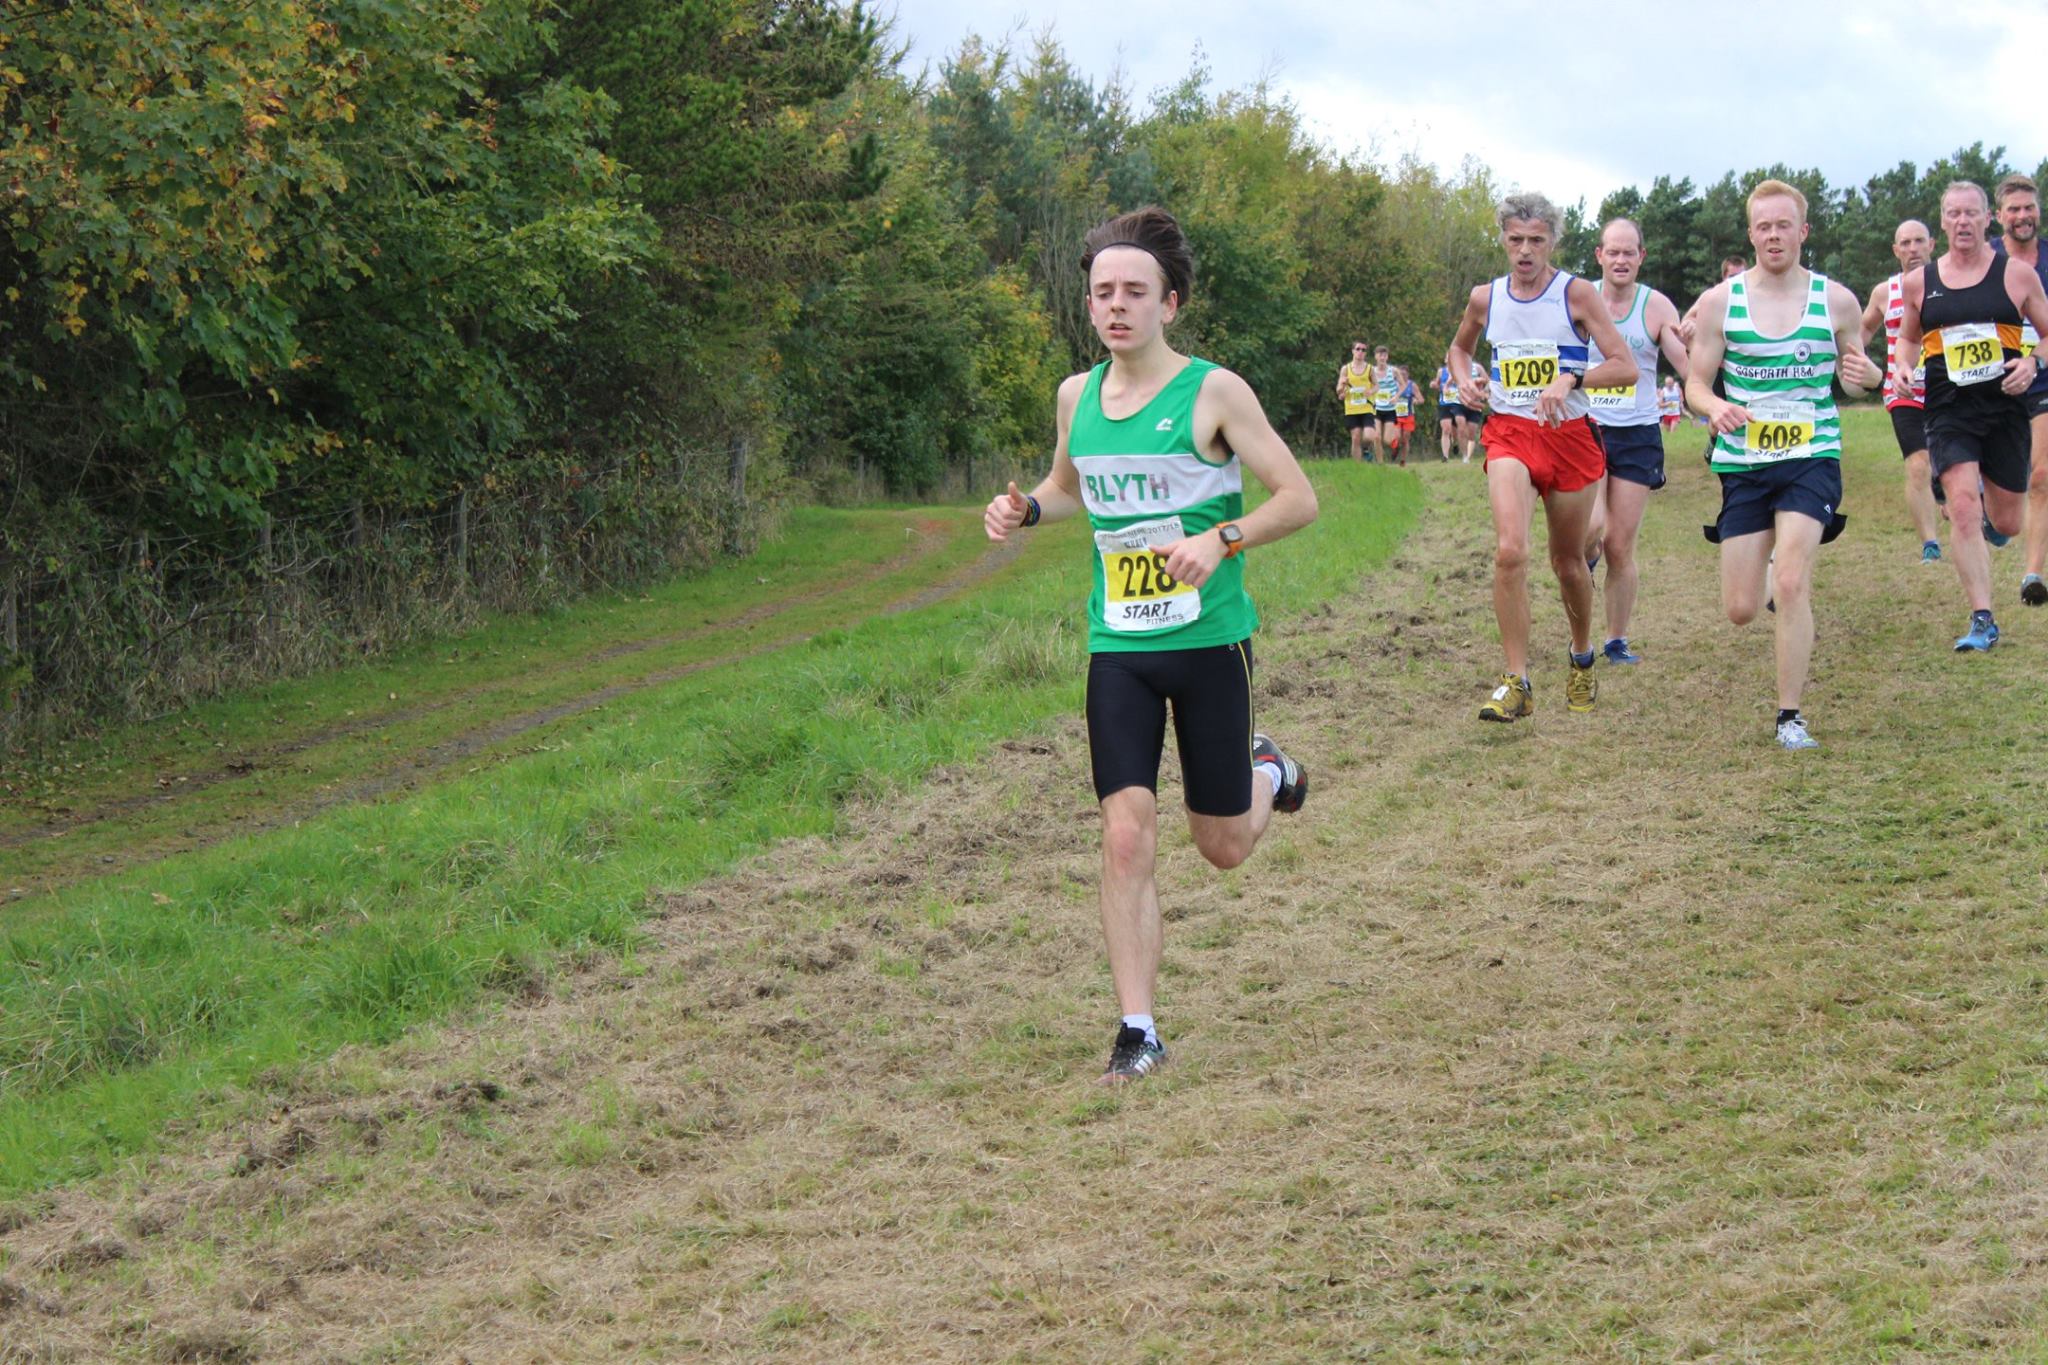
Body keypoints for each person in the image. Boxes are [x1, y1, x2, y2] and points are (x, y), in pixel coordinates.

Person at [983, 206, 1317, 1084]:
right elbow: (1070, 487)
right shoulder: (1076, 396)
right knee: (1125, 834)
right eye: (1103, 292)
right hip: (1120, 645)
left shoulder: (1214, 393)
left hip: (1209, 643)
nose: (1116, 306)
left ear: (1170, 303)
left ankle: (1270, 771)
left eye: (1135, 291)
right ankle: (1138, 1029)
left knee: (1222, 845)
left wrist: (1222, 539)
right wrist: (1027, 510)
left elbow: (1298, 497)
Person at [1687, 180, 1880, 748]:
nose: (1774, 236)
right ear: (1751, 235)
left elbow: (1859, 378)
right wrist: (1715, 406)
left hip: (1811, 455)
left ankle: (1789, 717)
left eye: (1784, 225)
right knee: (1741, 609)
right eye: (1764, 226)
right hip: (1745, 461)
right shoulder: (1722, 302)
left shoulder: (1836, 301)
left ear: (1803, 231)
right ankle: (1772, 560)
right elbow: (1695, 384)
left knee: (1793, 582)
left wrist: (1867, 378)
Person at [1445, 190, 1636, 722]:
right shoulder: (1486, 298)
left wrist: (1571, 378)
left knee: (1567, 562)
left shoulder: (1576, 295)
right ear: (1503, 240)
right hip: (1510, 432)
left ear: (1553, 241)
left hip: (1568, 436)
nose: (1525, 250)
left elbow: (1624, 366)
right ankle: (1517, 681)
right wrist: (1465, 380)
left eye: (1536, 240)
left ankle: (1581, 655)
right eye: (1515, 240)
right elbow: (1459, 349)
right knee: (1510, 551)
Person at [1892, 180, 2048, 650]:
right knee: (1962, 506)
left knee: (2008, 523)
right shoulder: (1921, 282)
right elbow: (1908, 339)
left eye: (1971, 213)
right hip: (1948, 407)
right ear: (1943, 222)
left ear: (1987, 219)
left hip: (2004, 408)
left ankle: (1987, 525)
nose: (1963, 221)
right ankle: (1983, 619)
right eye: (1954, 214)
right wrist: (1902, 366)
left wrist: (2032, 362)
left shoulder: (2017, 276)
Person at [1580, 218, 1689, 665]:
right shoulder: (1579, 299)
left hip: (1637, 432)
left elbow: (1685, 364)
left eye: (1630, 252)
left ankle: (1615, 640)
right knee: (1590, 530)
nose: (1621, 260)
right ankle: (1583, 561)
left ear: (1641, 257)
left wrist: (1707, 382)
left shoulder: (1657, 306)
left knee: (1620, 545)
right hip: (1586, 427)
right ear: (1599, 256)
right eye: (1613, 252)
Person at [1859, 219, 1942, 562]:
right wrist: (1855, 362)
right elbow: (1862, 330)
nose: (1912, 249)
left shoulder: (1950, 282)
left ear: (1932, 245)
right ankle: (1930, 544)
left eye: (1919, 241)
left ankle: (1950, 492)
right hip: (1903, 391)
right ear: (1895, 250)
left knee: (1949, 464)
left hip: (1948, 389)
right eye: (1905, 243)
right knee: (1918, 463)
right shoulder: (1884, 292)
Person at [1994, 174, 2048, 605]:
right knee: (1999, 485)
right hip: (1989, 382)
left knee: (2041, 476)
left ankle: (2033, 573)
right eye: (2014, 209)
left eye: (2029, 207)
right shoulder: (1985, 259)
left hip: (2043, 375)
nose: (2023, 215)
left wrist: (2035, 360)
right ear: (1999, 216)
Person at [1335, 341, 1376, 462]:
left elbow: (1377, 385)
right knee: (1355, 437)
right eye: (1358, 349)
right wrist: (1341, 389)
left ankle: (1366, 449)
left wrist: (1371, 391)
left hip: (1366, 407)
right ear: (1353, 351)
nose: (1360, 352)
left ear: (1365, 353)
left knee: (1369, 436)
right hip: (1352, 408)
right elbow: (1339, 389)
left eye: (1363, 350)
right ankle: (1358, 466)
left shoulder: (1369, 369)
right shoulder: (1346, 369)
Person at [1369, 345, 1400, 462]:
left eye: (1385, 355)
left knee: (1387, 440)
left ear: (1387, 357)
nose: (1382, 357)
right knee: (1376, 437)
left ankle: (1395, 445)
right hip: (1376, 408)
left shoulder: (1394, 371)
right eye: (1380, 355)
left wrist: (1396, 396)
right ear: (1375, 357)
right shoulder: (1371, 371)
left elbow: (1403, 385)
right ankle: (1380, 463)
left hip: (1390, 409)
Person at [1435, 361, 1469, 460]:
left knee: (1457, 430)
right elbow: (1437, 384)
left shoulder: (1460, 370)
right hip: (1445, 403)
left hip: (1458, 403)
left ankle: (1455, 443)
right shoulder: (1441, 371)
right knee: (1446, 429)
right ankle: (1445, 456)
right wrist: (1435, 385)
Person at [1392, 365, 1417, 465]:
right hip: (1395, 415)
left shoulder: (1412, 385)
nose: (1402, 376)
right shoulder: (1393, 384)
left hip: (1408, 415)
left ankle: (1403, 460)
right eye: (1400, 374)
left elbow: (1420, 399)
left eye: (1404, 374)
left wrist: (1415, 400)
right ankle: (1395, 448)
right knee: (1397, 436)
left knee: (1405, 439)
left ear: (1408, 375)